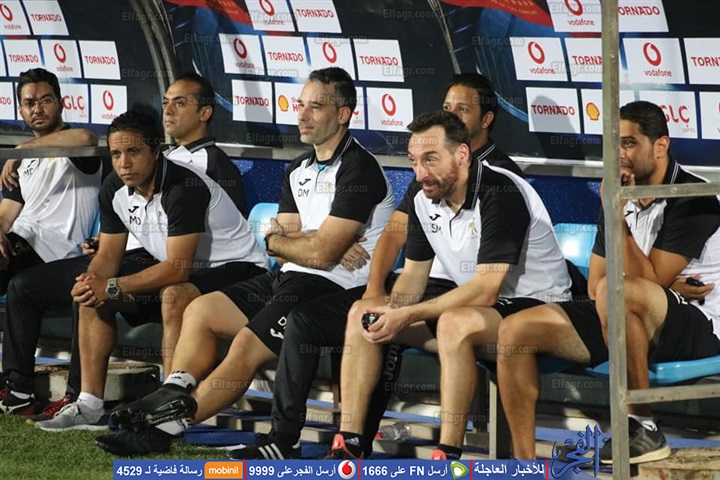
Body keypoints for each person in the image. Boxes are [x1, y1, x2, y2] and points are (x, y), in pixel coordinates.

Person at [217, 72, 526, 460]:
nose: (451, 115)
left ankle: (436, 449)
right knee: (359, 314)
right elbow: (397, 242)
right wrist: (378, 292)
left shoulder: (499, 178)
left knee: (408, 326)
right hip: (435, 289)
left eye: (462, 109)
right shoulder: (428, 180)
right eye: (447, 107)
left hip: (496, 301)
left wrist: (401, 310)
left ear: (485, 121)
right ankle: (333, 441)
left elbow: (486, 286)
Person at [93, 66, 396, 456]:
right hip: (287, 277)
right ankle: (173, 392)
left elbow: (322, 255)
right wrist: (298, 239)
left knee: (246, 346)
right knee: (200, 310)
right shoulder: (298, 168)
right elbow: (278, 243)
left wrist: (303, 241)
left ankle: (174, 429)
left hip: (333, 286)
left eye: (315, 107)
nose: (302, 115)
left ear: (343, 114)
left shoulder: (359, 167)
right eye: (300, 105)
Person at [322, 110, 571, 460]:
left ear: (462, 154)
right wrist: (392, 310)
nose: (420, 173)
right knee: (364, 312)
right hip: (481, 313)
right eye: (414, 161)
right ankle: (349, 442)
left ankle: (447, 453)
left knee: (454, 323)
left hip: (538, 310)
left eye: (430, 159)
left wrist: (408, 314)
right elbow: (413, 276)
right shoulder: (424, 199)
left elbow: (486, 289)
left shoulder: (500, 190)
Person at [2, 73, 252, 420]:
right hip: (162, 262)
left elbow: (178, 267)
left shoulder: (188, 180)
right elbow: (109, 255)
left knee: (172, 294)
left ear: (154, 151)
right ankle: (86, 405)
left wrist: (111, 285)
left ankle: (166, 408)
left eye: (133, 152)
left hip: (229, 268)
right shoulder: (117, 185)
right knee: (90, 292)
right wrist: (94, 282)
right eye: (117, 154)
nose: (123, 163)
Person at [496, 100, 720, 464]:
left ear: (660, 145)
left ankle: (643, 426)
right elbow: (596, 283)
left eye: (629, 143)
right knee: (514, 330)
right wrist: (616, 212)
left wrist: (618, 221)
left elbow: (647, 281)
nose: (619, 155)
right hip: (621, 313)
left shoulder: (693, 196)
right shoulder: (616, 192)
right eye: (613, 144)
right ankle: (524, 464)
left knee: (620, 294)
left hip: (700, 327)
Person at [0, 68, 102, 414]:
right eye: (29, 103)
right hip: (21, 243)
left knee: (20, 283)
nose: (38, 108)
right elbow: (6, 215)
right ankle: (15, 389)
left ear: (60, 103)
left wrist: (21, 149)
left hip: (57, 252)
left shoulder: (74, 148)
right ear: (20, 110)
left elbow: (87, 137)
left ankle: (18, 389)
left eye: (45, 100)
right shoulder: (22, 164)